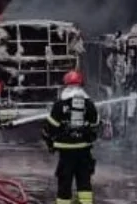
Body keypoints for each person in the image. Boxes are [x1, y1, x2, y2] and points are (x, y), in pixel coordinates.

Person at [41, 70, 100, 204]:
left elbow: (51, 127)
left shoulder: (60, 104)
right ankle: (85, 202)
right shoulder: (89, 103)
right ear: (81, 85)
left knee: (65, 181)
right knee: (84, 180)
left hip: (65, 151)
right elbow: (95, 124)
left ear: (66, 85)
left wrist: (49, 142)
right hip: (84, 151)